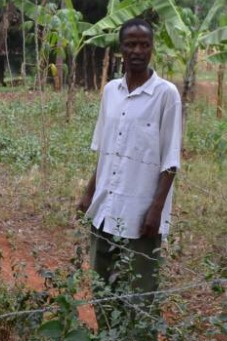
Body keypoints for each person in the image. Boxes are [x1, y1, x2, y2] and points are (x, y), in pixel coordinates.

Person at [76, 18, 182, 301]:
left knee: (140, 293)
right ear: (120, 49)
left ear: (152, 49)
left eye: (144, 44)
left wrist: (155, 210)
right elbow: (104, 149)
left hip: (140, 213)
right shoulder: (111, 91)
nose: (137, 50)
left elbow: (171, 161)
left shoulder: (166, 95)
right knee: (103, 289)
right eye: (130, 44)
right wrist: (89, 193)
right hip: (104, 208)